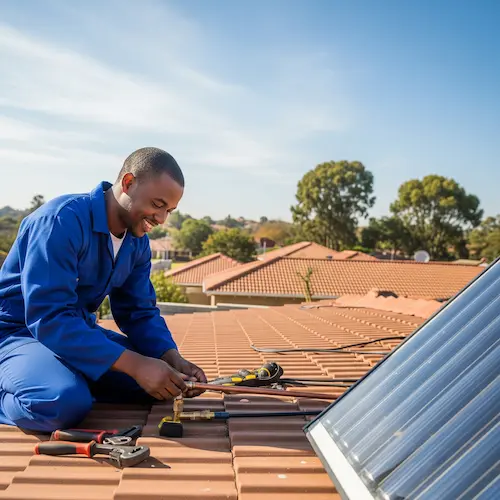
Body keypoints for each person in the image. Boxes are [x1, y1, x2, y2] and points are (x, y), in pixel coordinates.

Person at [0, 147, 207, 432]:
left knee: (162, 383)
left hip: (75, 333)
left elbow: (139, 311)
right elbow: (48, 318)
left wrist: (169, 357)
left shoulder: (137, 242)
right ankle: (38, 381)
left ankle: (64, 374)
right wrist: (134, 365)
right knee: (62, 402)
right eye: (157, 204)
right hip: (18, 334)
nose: (162, 219)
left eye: (169, 211)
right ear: (128, 183)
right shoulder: (60, 222)